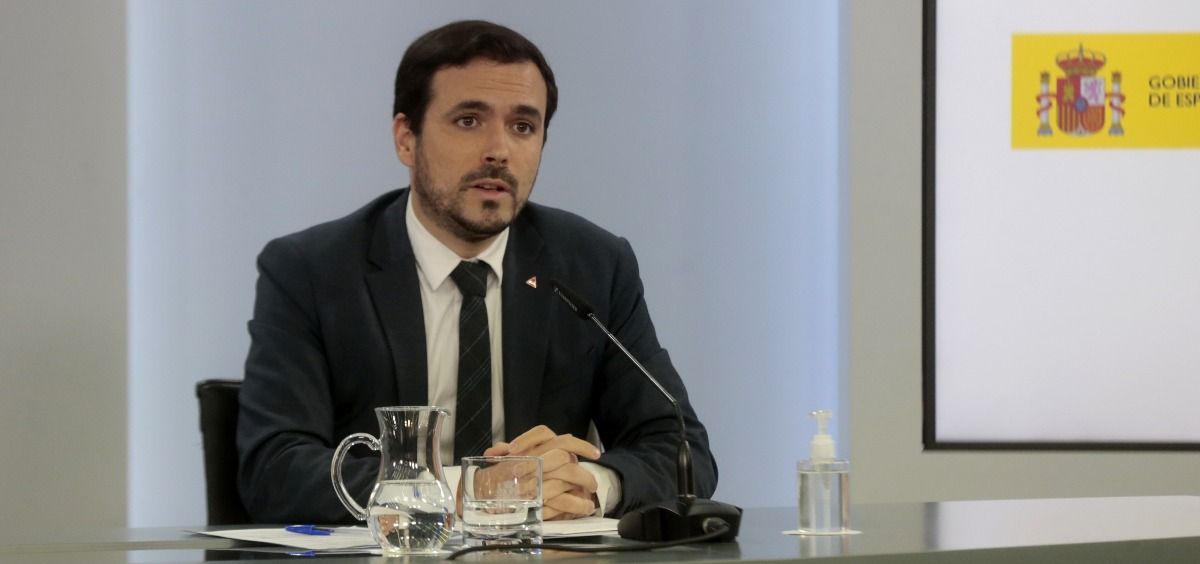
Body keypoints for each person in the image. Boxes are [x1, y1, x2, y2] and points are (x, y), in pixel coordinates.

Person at [237, 19, 716, 524]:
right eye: (468, 121)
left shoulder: (593, 266)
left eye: (523, 126)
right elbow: (274, 470)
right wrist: (468, 491)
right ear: (406, 138)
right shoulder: (311, 272)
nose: (499, 150)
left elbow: (681, 450)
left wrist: (591, 485)